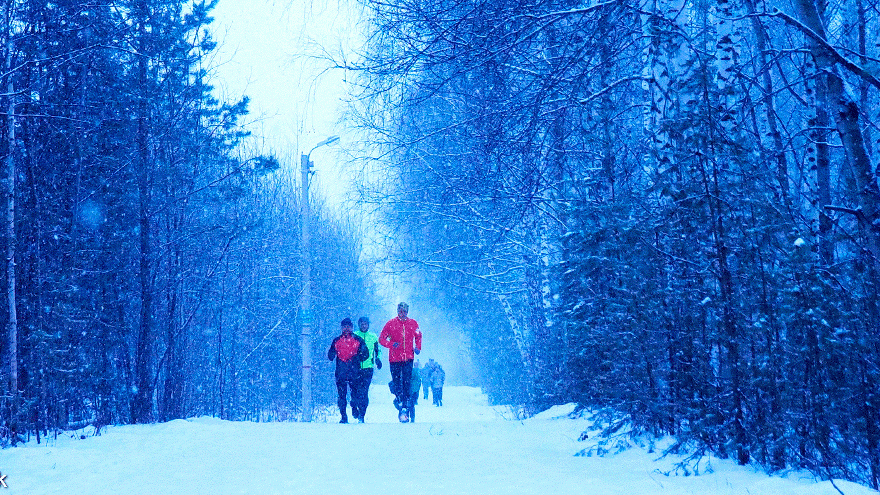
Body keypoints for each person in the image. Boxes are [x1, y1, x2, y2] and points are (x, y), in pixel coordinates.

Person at [379, 302, 422, 423]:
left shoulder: (413, 323)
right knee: (397, 382)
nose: (403, 314)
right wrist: (391, 344)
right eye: (401, 311)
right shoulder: (391, 323)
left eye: (405, 311)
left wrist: (418, 347)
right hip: (394, 358)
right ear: (397, 311)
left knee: (407, 381)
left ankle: (406, 404)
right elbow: (381, 339)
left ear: (407, 312)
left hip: (408, 357)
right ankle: (399, 400)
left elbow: (418, 336)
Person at [327, 317, 369, 423]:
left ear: (352, 327)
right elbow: (330, 355)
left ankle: (354, 408)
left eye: (349, 327)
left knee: (354, 394)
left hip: (354, 373)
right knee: (342, 396)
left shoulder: (358, 340)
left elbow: (366, 354)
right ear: (341, 328)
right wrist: (332, 354)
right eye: (344, 327)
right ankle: (344, 416)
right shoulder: (336, 340)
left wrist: (356, 358)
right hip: (341, 373)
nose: (346, 329)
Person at [352, 316, 382, 423]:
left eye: (365, 324)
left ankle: (362, 414)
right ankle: (354, 407)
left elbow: (378, 350)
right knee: (354, 391)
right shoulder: (354, 335)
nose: (364, 326)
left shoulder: (373, 336)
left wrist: (378, 359)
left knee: (364, 392)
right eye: (362, 324)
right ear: (359, 324)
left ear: (368, 325)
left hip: (368, 368)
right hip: (355, 368)